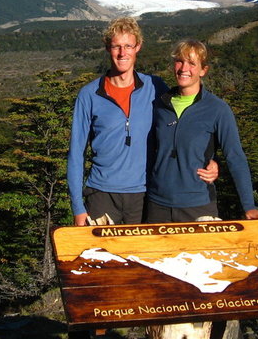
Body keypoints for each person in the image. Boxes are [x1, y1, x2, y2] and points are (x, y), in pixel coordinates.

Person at [67, 18, 217, 226]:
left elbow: (186, 124)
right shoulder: (89, 95)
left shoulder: (154, 86)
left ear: (138, 47)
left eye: (128, 46)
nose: (122, 53)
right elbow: (76, 153)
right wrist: (78, 207)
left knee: (141, 257)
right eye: (116, 46)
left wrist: (210, 159)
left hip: (146, 194)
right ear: (107, 48)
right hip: (101, 194)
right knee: (101, 258)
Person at [146, 39, 258, 223]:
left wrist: (249, 206)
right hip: (157, 205)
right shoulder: (159, 105)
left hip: (198, 205)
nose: (184, 68)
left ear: (203, 70)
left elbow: (235, 157)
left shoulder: (217, 109)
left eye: (192, 63)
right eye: (180, 61)